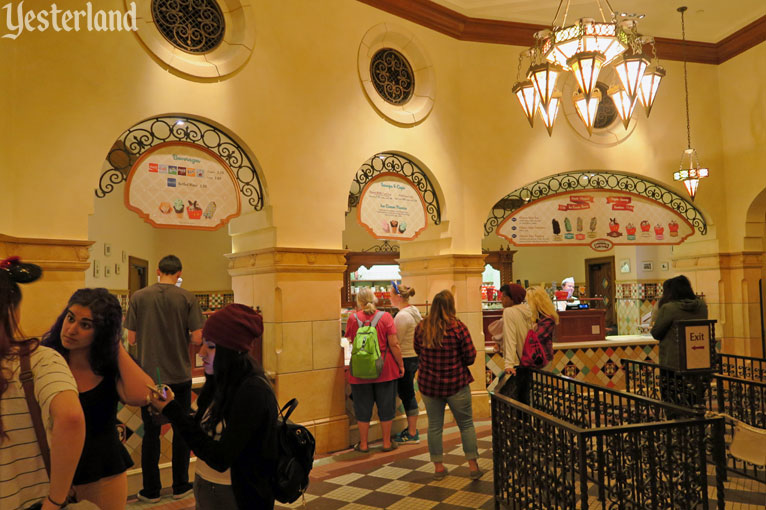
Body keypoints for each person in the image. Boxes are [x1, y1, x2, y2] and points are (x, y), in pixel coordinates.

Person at [148, 304, 278, 510]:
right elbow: (203, 431)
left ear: (232, 349)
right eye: (203, 345)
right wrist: (169, 411)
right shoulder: (219, 382)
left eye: (211, 346)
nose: (201, 353)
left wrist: (174, 412)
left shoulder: (253, 391)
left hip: (237, 496)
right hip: (208, 488)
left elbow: (220, 458)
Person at [42, 289, 154, 510]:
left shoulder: (108, 367)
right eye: (70, 318)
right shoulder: (46, 361)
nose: (71, 329)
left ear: (101, 332)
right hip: (50, 471)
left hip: (103, 473)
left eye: (86, 325)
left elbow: (142, 395)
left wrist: (116, 344)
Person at [0, 257, 86, 510]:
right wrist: (56, 499)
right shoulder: (38, 360)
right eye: (70, 319)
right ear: (14, 310)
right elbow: (71, 417)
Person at [125, 255, 205, 502]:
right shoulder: (187, 298)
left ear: (158, 271)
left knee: (151, 433)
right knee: (182, 429)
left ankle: (151, 491)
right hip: (180, 375)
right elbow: (197, 338)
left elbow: (131, 339)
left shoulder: (139, 297)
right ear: (179, 273)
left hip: (150, 378)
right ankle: (181, 485)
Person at [414, 290, 481, 481]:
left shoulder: (421, 327)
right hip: (456, 383)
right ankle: (473, 466)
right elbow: (470, 357)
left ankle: (438, 467)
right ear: (451, 306)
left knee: (434, 426)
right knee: (466, 425)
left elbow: (417, 350)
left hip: (429, 385)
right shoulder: (459, 328)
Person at [345, 287, 404, 453]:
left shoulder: (352, 318)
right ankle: (386, 442)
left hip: (360, 371)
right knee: (386, 406)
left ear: (359, 301)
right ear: (374, 299)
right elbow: (394, 344)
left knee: (362, 407)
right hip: (385, 369)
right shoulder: (385, 317)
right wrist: (400, 365)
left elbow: (351, 340)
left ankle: (363, 444)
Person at [651, 275, 708, 407]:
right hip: (698, 358)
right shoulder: (702, 305)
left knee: (672, 398)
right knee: (694, 396)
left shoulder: (668, 308)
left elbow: (656, 333)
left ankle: (675, 423)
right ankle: (696, 421)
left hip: (673, 360)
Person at [389, 282, 422, 444]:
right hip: (414, 357)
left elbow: (395, 342)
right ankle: (412, 430)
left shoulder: (402, 316)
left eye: (391, 295)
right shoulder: (414, 311)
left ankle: (412, 432)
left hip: (406, 359)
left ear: (399, 297)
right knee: (408, 393)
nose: (389, 298)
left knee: (407, 394)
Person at [500, 283, 533, 404]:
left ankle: (519, 422)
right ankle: (526, 421)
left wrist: (509, 364)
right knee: (525, 399)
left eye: (503, 297)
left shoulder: (509, 312)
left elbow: (510, 338)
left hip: (517, 364)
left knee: (515, 401)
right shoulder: (527, 310)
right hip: (529, 360)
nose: (501, 300)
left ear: (511, 298)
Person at [524, 286, 559, 367]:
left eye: (527, 302)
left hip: (543, 358)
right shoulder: (534, 317)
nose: (526, 304)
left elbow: (534, 339)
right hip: (532, 358)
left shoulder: (548, 319)